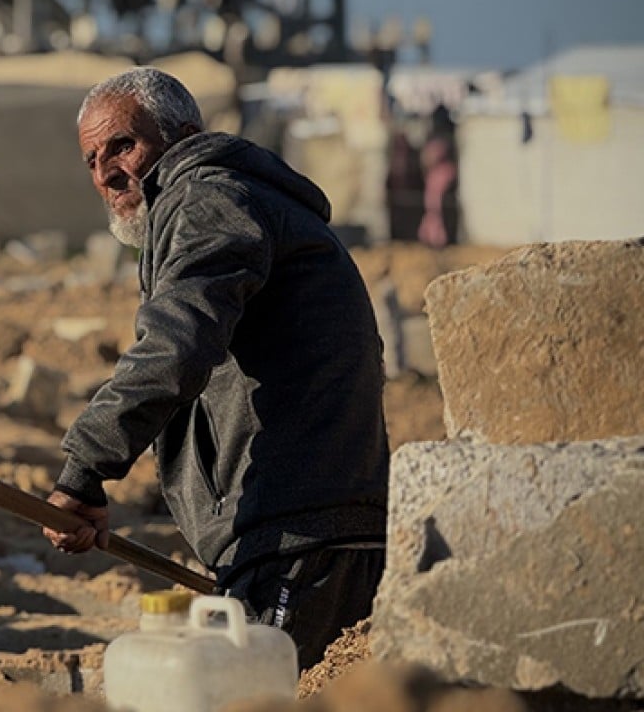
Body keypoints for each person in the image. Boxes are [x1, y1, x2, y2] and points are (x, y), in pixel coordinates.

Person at [42, 68, 389, 671]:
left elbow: (174, 347)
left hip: (294, 540)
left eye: (122, 145)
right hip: (317, 531)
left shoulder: (207, 197)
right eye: (92, 160)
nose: (106, 174)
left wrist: (83, 471)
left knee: (260, 698)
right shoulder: (250, 201)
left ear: (184, 136)